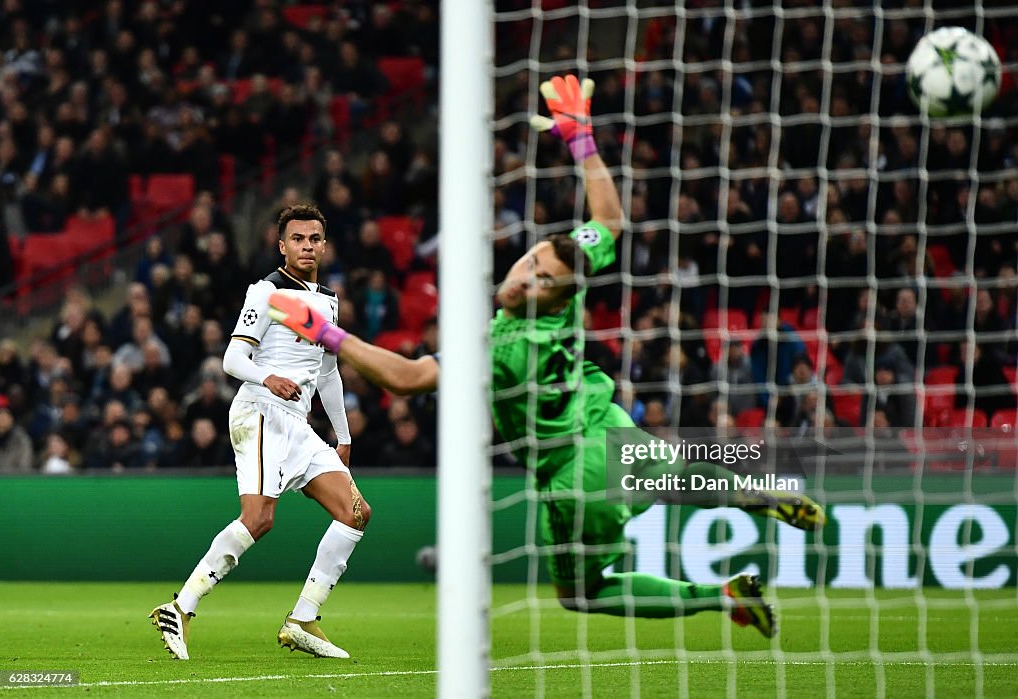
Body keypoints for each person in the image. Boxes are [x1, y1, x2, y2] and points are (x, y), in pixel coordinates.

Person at [269, 76, 827, 638]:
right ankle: (755, 496)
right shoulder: (571, 284)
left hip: (572, 471)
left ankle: (720, 594)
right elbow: (609, 219)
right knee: (675, 475)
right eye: (531, 262)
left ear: (558, 294)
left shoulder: (500, 346)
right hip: (610, 425)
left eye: (541, 279)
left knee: (583, 594)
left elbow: (410, 378)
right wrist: (580, 137)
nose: (527, 277)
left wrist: (328, 334)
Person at [150, 204, 368, 660]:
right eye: (298, 239)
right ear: (282, 245)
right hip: (262, 412)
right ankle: (179, 608)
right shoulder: (267, 292)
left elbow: (328, 374)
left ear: (324, 245)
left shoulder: (329, 300)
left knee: (355, 512)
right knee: (260, 518)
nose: (307, 246)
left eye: (314, 239)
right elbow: (232, 359)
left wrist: (343, 435)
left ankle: (302, 619)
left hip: (299, 426)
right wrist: (267, 377)